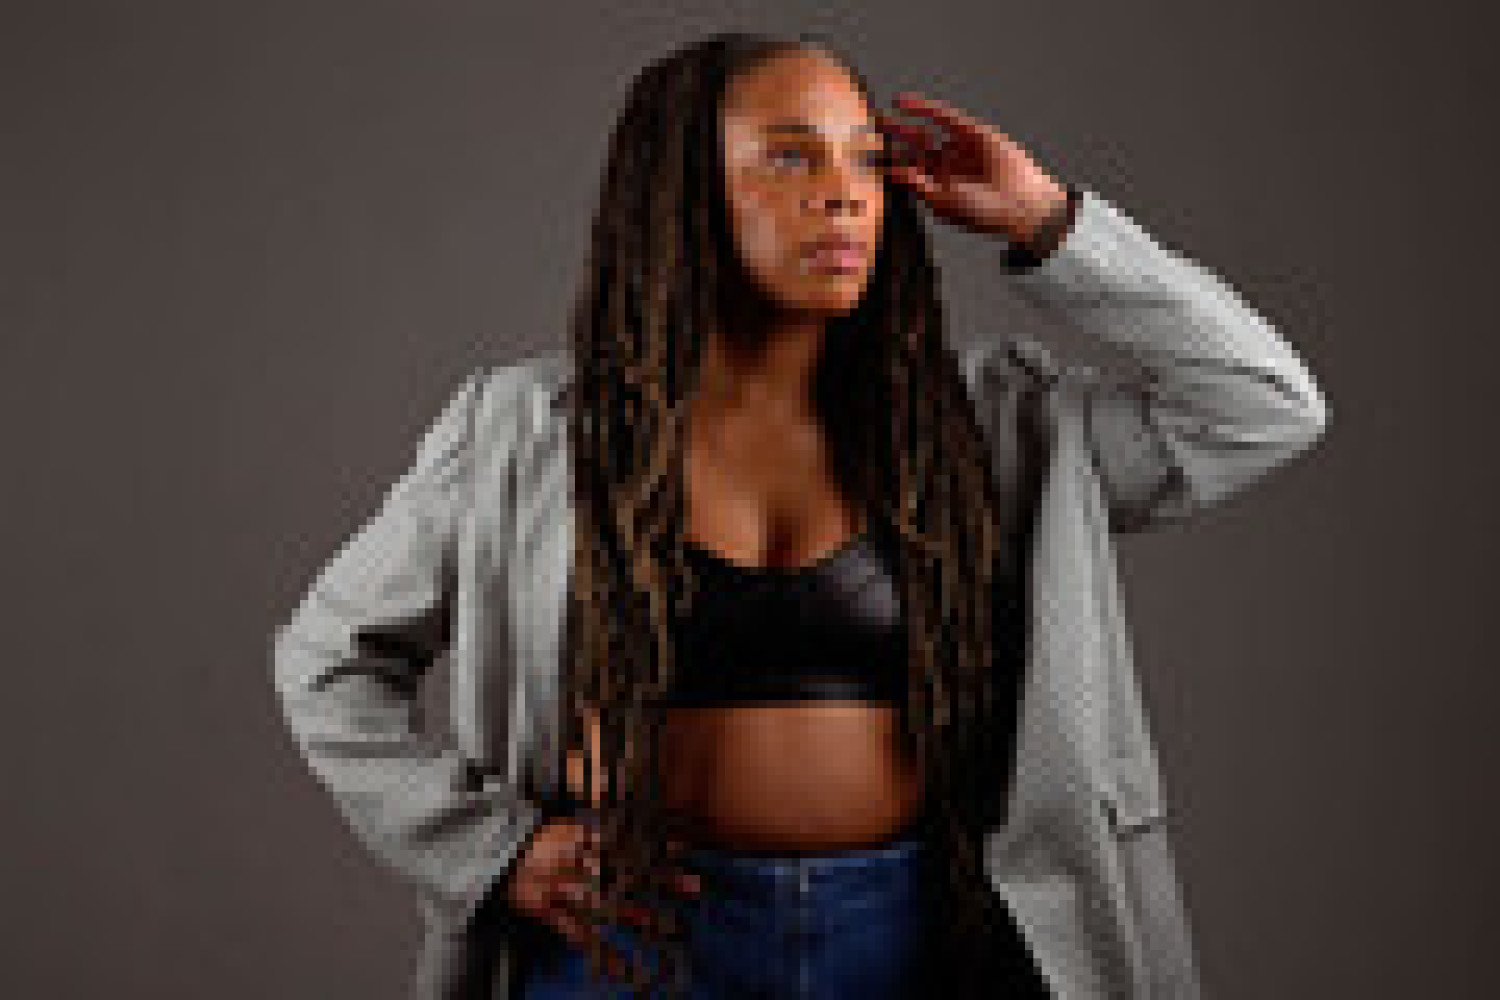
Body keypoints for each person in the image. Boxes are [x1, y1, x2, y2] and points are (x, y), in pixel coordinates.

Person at [272, 29, 1329, 1000]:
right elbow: (328, 660)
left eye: (866, 161)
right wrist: (490, 851)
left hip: (922, 944)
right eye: (791, 158)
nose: (845, 196)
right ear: (681, 192)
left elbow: (1265, 405)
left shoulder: (995, 427)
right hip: (629, 947)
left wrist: (1052, 222)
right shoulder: (528, 432)